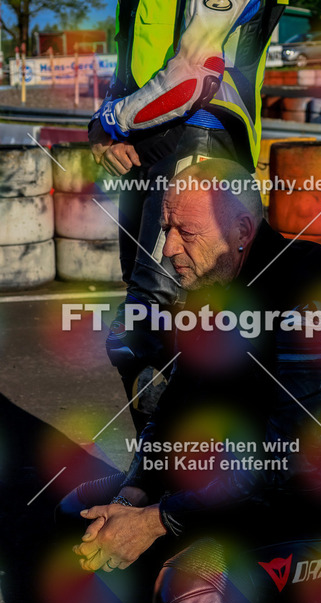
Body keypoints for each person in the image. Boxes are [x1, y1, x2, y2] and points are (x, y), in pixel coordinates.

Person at [69, 160, 321, 603]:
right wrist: (133, 493)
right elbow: (174, 409)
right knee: (79, 519)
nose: (168, 248)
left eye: (185, 232)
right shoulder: (210, 289)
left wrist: (156, 520)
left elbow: (289, 459)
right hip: (249, 497)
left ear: (242, 231)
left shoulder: (310, 285)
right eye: (166, 229)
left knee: (191, 594)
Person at [88, 0, 290, 434]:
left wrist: (110, 121)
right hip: (144, 150)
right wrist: (101, 129)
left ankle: (169, 470)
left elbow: (193, 75)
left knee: (142, 331)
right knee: (174, 322)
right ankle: (193, 464)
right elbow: (129, 67)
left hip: (200, 144)